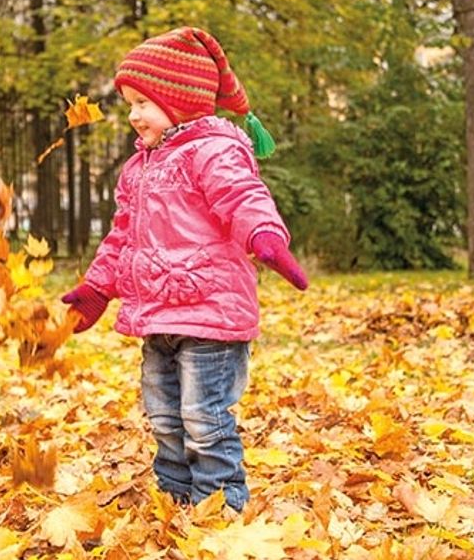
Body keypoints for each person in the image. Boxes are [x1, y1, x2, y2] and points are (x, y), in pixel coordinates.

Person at [61, 26, 308, 513]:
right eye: (129, 103)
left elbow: (243, 199)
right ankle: (173, 503)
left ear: (179, 100)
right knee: (164, 417)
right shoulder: (140, 167)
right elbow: (123, 236)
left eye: (142, 103)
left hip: (211, 318)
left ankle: (219, 509)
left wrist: (266, 238)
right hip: (159, 316)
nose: (133, 115)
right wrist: (97, 287)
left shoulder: (214, 151)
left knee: (204, 418)